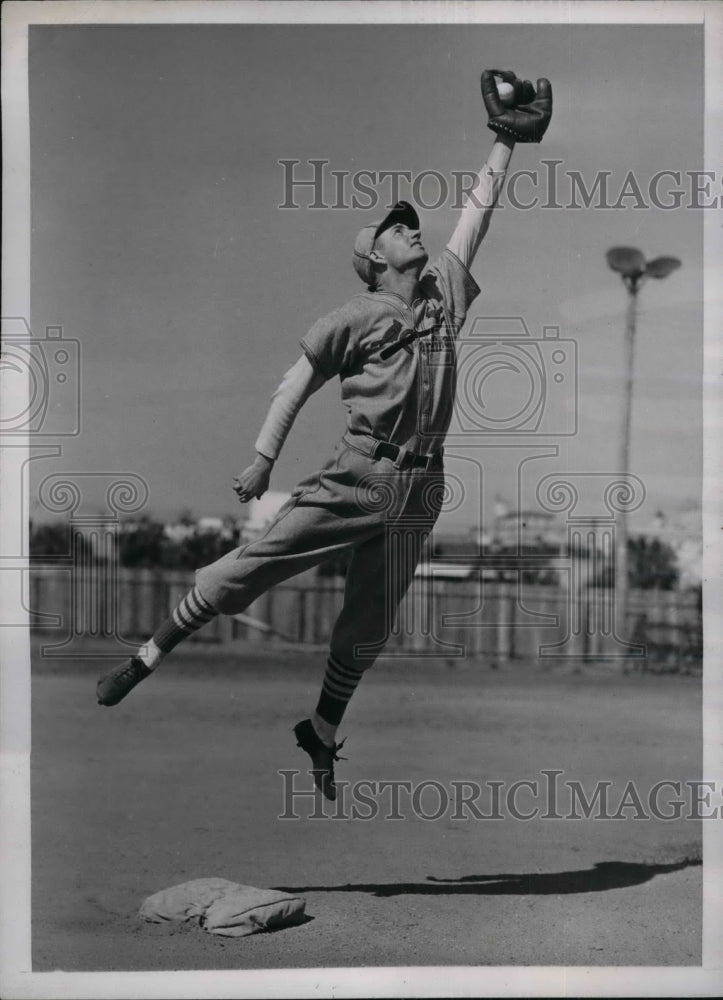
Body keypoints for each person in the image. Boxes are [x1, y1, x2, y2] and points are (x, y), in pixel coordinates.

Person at [97, 70, 552, 800]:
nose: (411, 227)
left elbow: (476, 216)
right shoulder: (356, 313)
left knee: (368, 626)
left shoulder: (440, 297)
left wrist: (504, 144)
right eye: (395, 227)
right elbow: (296, 380)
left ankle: (322, 729)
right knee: (250, 565)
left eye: (410, 224)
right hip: (359, 474)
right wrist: (262, 457)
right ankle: (146, 657)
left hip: (420, 486)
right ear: (374, 258)